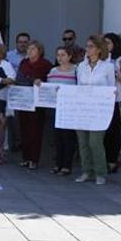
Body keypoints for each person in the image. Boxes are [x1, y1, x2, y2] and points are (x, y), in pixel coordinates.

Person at [74, 34, 116, 185]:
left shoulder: (108, 67)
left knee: (95, 142)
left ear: (99, 49)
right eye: (87, 46)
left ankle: (100, 172)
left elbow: (112, 88)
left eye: (91, 46)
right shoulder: (81, 66)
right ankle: (87, 171)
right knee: (83, 141)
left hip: (98, 111)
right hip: (83, 109)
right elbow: (78, 86)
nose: (88, 49)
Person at [40, 46, 78, 175]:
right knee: (57, 137)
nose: (60, 58)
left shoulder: (76, 71)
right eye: (58, 55)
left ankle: (67, 165)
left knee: (68, 137)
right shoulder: (53, 71)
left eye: (63, 55)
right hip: (56, 108)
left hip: (70, 108)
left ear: (69, 56)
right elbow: (48, 88)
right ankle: (58, 164)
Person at [15, 40, 53, 169]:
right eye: (29, 49)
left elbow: (49, 82)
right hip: (24, 100)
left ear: (39, 51)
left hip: (37, 103)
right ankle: (25, 157)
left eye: (33, 49)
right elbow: (19, 78)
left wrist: (38, 81)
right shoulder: (24, 63)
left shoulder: (45, 64)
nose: (30, 51)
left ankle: (34, 159)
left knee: (35, 131)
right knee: (23, 129)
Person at [103, 33, 121, 174]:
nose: (106, 46)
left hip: (117, 99)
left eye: (108, 43)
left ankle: (113, 160)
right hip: (104, 99)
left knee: (114, 131)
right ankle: (106, 158)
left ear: (115, 44)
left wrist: (116, 75)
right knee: (105, 131)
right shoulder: (103, 59)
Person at [5, 32, 30, 152]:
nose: (22, 44)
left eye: (25, 42)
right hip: (11, 88)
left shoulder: (32, 56)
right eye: (20, 42)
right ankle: (14, 143)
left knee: (25, 118)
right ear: (16, 43)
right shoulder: (8, 55)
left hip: (26, 90)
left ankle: (23, 142)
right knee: (12, 118)